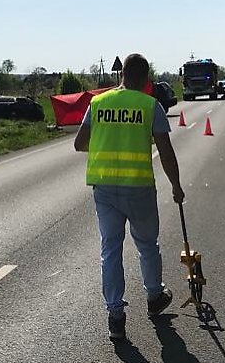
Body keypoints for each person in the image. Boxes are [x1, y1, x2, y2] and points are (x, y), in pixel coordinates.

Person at [74, 53, 185, 342]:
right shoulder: (151, 107)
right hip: (138, 188)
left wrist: (107, 142)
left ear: (120, 74)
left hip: (105, 189)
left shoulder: (98, 103)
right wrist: (176, 186)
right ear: (147, 79)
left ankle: (115, 315)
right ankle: (154, 297)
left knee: (110, 249)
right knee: (147, 245)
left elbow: (79, 143)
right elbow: (167, 153)